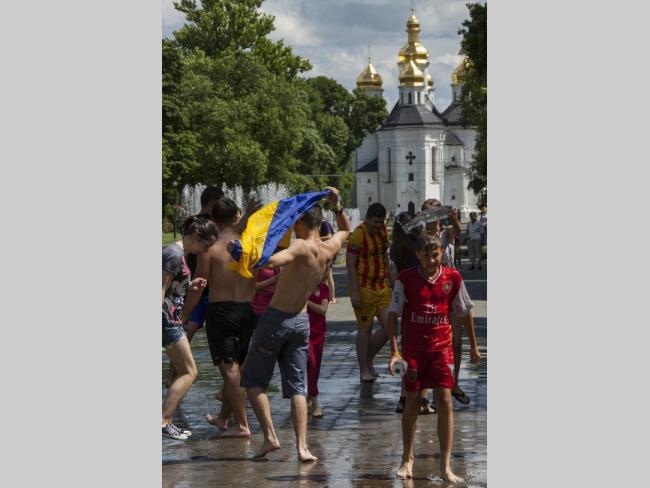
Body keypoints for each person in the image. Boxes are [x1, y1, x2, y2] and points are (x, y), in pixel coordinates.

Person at [240, 187, 350, 462]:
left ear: (300, 221)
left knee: (253, 380)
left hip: (276, 319)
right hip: (301, 323)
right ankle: (302, 448)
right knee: (298, 387)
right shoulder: (328, 248)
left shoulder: (300, 246)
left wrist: (248, 246)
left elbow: (271, 260)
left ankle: (270, 437)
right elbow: (345, 231)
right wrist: (337, 206)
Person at [387, 234, 480, 482]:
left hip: (442, 348)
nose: (431, 260)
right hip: (413, 350)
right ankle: (407, 457)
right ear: (418, 254)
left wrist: (473, 345)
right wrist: (394, 351)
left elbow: (465, 311)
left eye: (435, 255)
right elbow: (393, 314)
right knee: (413, 401)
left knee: (445, 401)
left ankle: (445, 466)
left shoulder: (453, 277)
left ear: (442, 253)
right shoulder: (405, 279)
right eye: (426, 255)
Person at [189, 197, 258, 439]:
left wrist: (185, 313)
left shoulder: (211, 248)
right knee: (236, 366)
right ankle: (224, 417)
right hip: (247, 310)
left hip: (221, 312)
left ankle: (242, 425)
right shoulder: (248, 244)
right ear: (236, 215)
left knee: (229, 370)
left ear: (213, 220)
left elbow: (199, 284)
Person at [162, 216, 218, 440]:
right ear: (196, 236)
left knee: (187, 371)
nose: (204, 251)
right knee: (189, 372)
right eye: (205, 245)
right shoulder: (173, 255)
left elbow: (172, 288)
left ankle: (166, 420)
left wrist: (189, 285)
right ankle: (163, 421)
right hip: (167, 321)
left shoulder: (179, 254)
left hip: (171, 320)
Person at [346, 202, 391, 383]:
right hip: (364, 288)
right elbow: (350, 264)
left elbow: (385, 255)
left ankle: (367, 359)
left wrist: (391, 275)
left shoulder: (383, 231)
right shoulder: (358, 235)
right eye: (374, 222)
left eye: (380, 222)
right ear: (367, 219)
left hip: (382, 286)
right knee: (365, 330)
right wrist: (355, 291)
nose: (377, 226)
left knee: (390, 327)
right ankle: (364, 369)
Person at [182, 186, 224, 342]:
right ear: (211, 203)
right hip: (202, 286)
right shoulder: (206, 225)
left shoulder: (193, 222)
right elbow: (203, 263)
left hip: (197, 283)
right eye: (221, 203)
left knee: (187, 331)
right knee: (187, 330)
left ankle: (177, 357)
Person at [306, 271, 330, 418]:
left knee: (316, 367)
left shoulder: (324, 288)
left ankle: (309, 397)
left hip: (319, 333)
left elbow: (323, 310)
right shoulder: (303, 288)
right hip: (306, 333)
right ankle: (315, 403)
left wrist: (307, 302)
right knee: (311, 364)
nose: (326, 272)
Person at [319, 212, 337, 303]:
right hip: (325, 252)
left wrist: (317, 239)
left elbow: (329, 236)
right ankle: (327, 296)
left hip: (329, 252)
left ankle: (332, 297)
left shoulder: (324, 224)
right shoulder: (320, 224)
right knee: (324, 276)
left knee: (328, 275)